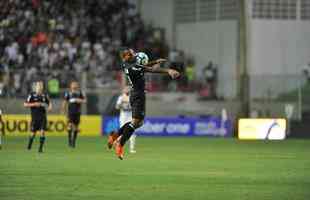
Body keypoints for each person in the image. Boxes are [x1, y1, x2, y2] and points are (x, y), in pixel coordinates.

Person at [107, 48, 180, 160]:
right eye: (130, 55)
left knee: (137, 123)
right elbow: (150, 69)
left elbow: (143, 66)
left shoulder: (126, 64)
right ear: (125, 57)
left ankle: (115, 136)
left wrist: (155, 62)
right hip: (138, 95)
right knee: (136, 122)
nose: (133, 55)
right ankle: (120, 144)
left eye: (133, 54)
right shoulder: (133, 67)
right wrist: (169, 71)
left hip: (135, 94)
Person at [24, 81, 52, 153]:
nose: (40, 87)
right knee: (33, 133)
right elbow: (25, 104)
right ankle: (29, 145)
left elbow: (49, 103)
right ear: (36, 87)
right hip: (35, 117)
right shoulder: (32, 95)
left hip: (43, 117)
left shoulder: (45, 95)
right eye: (38, 85)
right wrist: (34, 104)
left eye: (41, 85)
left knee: (42, 132)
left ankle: (40, 148)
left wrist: (50, 107)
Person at [61, 81, 86, 148]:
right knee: (69, 125)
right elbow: (65, 102)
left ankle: (73, 141)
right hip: (70, 112)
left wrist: (78, 100)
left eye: (75, 85)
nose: (74, 86)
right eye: (73, 85)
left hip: (77, 112)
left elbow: (85, 100)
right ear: (71, 86)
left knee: (75, 128)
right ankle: (69, 140)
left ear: (77, 86)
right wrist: (63, 109)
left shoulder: (80, 93)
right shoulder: (68, 93)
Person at [115, 86, 136, 153]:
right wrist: (122, 106)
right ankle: (118, 145)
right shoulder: (121, 97)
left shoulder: (132, 97)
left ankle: (132, 148)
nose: (127, 90)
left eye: (128, 89)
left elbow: (135, 106)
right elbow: (117, 106)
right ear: (124, 90)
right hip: (123, 116)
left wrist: (130, 107)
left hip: (130, 117)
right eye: (125, 89)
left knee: (132, 132)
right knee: (122, 132)